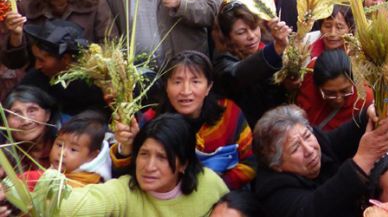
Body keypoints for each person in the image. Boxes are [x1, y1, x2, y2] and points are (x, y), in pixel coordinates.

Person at [13, 114, 229, 216]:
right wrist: (37, 182)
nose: (149, 166)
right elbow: (78, 206)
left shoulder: (209, 183)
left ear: (183, 164)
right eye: (144, 154)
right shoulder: (124, 191)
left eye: (162, 158)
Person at [113, 51, 256, 191]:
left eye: (195, 81)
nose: (186, 91)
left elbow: (250, 163)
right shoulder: (150, 121)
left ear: (208, 87)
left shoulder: (229, 113)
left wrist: (211, 189)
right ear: (166, 86)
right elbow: (126, 176)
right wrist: (126, 147)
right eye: (177, 82)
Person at [252, 102, 388, 217]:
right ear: (277, 165)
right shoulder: (273, 193)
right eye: (295, 148)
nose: (309, 150)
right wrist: (364, 159)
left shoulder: (318, 140)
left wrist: (372, 114)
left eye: (307, 136)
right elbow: (314, 207)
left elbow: (346, 135)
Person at [212, 2, 290, 126]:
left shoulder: (268, 44)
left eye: (254, 28)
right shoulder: (222, 61)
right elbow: (237, 74)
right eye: (241, 32)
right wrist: (275, 49)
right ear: (227, 37)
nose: (252, 36)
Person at [22, 111, 111, 189]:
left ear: (92, 156)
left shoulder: (86, 183)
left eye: (73, 149)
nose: (62, 153)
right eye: (60, 145)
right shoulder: (64, 170)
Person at [296, 49, 373, 132]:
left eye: (345, 91)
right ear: (317, 86)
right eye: (330, 93)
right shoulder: (310, 73)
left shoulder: (364, 100)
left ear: (353, 82)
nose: (338, 99)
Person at [1, 85, 58, 170]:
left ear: (47, 115)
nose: (26, 121)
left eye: (32, 111)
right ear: (5, 123)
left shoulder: (65, 148)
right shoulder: (4, 158)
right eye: (16, 114)